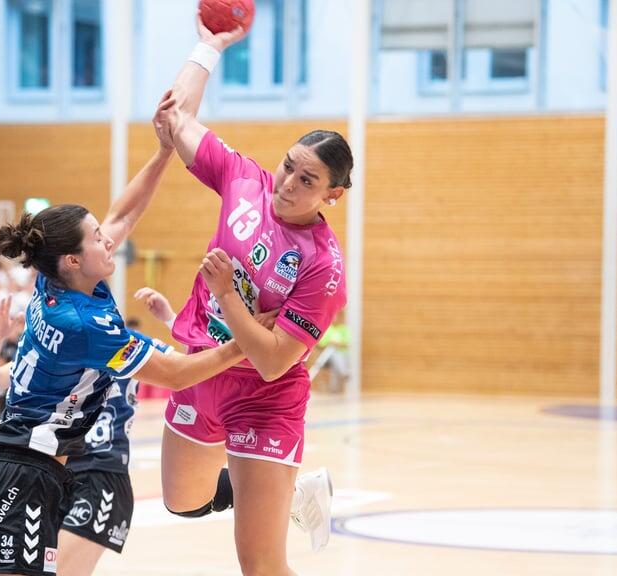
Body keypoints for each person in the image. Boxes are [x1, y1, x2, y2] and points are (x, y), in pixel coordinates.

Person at [0, 93, 251, 576]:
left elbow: (124, 215)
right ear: (73, 259)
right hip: (24, 480)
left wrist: (163, 152)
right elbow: (176, 374)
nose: (106, 239)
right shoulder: (85, 326)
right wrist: (251, 342)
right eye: (95, 237)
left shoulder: (53, 281)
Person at [154, 17, 354, 574]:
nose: (288, 183)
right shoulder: (244, 180)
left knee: (260, 564)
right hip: (201, 368)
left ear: (333, 194)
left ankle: (274, 488)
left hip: (266, 398)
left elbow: (271, 361)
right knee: (182, 502)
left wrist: (228, 298)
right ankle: (285, 492)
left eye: (307, 180)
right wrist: (208, 45)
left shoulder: (323, 266)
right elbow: (175, 120)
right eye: (289, 166)